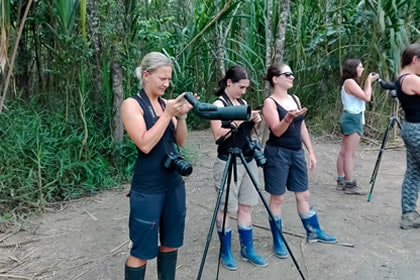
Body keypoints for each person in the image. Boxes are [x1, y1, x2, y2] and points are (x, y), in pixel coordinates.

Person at [120, 52, 195, 280]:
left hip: (173, 184)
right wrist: (167, 114)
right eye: (162, 78)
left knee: (171, 244)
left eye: (169, 79)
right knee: (141, 251)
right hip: (148, 188)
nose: (166, 83)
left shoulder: (166, 104)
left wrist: (180, 117)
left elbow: (180, 141)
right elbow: (144, 144)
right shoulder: (132, 105)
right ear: (146, 75)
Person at [262, 64, 336, 259]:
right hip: (277, 153)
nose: (292, 77)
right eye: (287, 74)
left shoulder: (295, 99)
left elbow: (302, 127)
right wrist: (287, 118)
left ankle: (313, 231)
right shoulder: (269, 102)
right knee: (277, 197)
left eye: (292, 74)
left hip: (296, 153)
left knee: (303, 194)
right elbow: (276, 131)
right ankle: (278, 239)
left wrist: (310, 151)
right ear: (275, 79)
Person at [211, 65, 268, 270]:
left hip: (247, 159)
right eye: (241, 87)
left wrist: (254, 121)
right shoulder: (219, 104)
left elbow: (246, 132)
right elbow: (218, 135)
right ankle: (225, 251)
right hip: (227, 161)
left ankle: (248, 249)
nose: (244, 92)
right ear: (229, 82)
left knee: (246, 205)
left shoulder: (243, 102)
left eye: (246, 88)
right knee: (226, 208)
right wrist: (240, 117)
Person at [335, 58, 378, 194]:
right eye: (360, 67)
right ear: (353, 69)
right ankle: (349, 184)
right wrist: (368, 82)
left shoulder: (349, 83)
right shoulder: (350, 82)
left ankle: (341, 179)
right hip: (352, 118)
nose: (362, 69)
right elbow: (367, 97)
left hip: (350, 116)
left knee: (344, 152)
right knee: (349, 154)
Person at [395, 43, 420, 229]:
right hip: (417, 129)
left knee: (413, 172)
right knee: (413, 172)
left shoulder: (401, 77)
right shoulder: (411, 79)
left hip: (411, 127)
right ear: (415, 60)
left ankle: (409, 214)